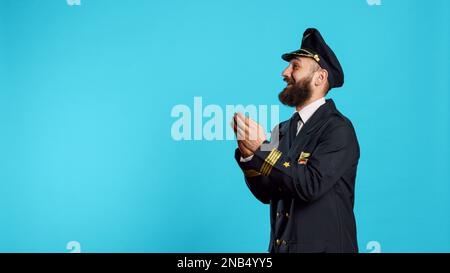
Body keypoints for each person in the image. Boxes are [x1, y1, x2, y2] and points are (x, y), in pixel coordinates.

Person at [232, 28, 360, 253]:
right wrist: (248, 155)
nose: (284, 72)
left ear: (320, 77)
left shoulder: (338, 129)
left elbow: (310, 185)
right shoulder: (281, 130)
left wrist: (261, 150)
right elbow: (266, 192)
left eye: (295, 66)